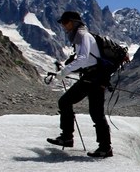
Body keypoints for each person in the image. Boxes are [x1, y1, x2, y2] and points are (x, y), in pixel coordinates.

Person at [46, 11, 113, 158]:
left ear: (73, 22)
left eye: (65, 22)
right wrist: (66, 69)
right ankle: (101, 146)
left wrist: (64, 72)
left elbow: (82, 59)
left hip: (94, 78)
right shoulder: (81, 36)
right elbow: (85, 60)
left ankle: (71, 138)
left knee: (71, 104)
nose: (63, 26)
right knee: (92, 111)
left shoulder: (83, 35)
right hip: (93, 77)